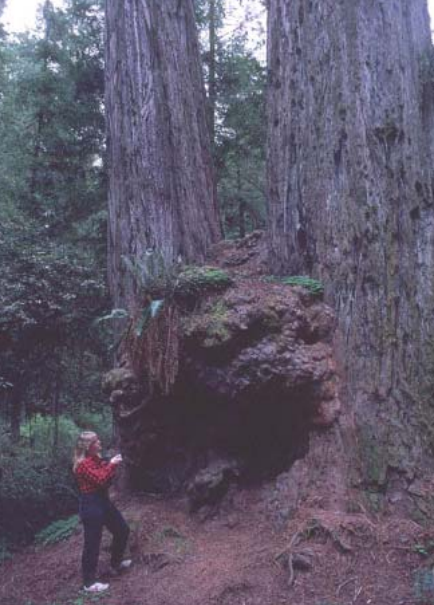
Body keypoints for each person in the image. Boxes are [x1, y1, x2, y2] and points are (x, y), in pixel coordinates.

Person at [73, 431, 131, 594]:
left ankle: (115, 564)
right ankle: (88, 583)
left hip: (102, 501)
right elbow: (100, 479)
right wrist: (112, 464)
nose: (100, 443)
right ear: (88, 446)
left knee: (122, 530)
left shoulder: (95, 459)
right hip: (90, 504)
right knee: (92, 542)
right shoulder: (82, 464)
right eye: (96, 441)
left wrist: (110, 465)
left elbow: (105, 477)